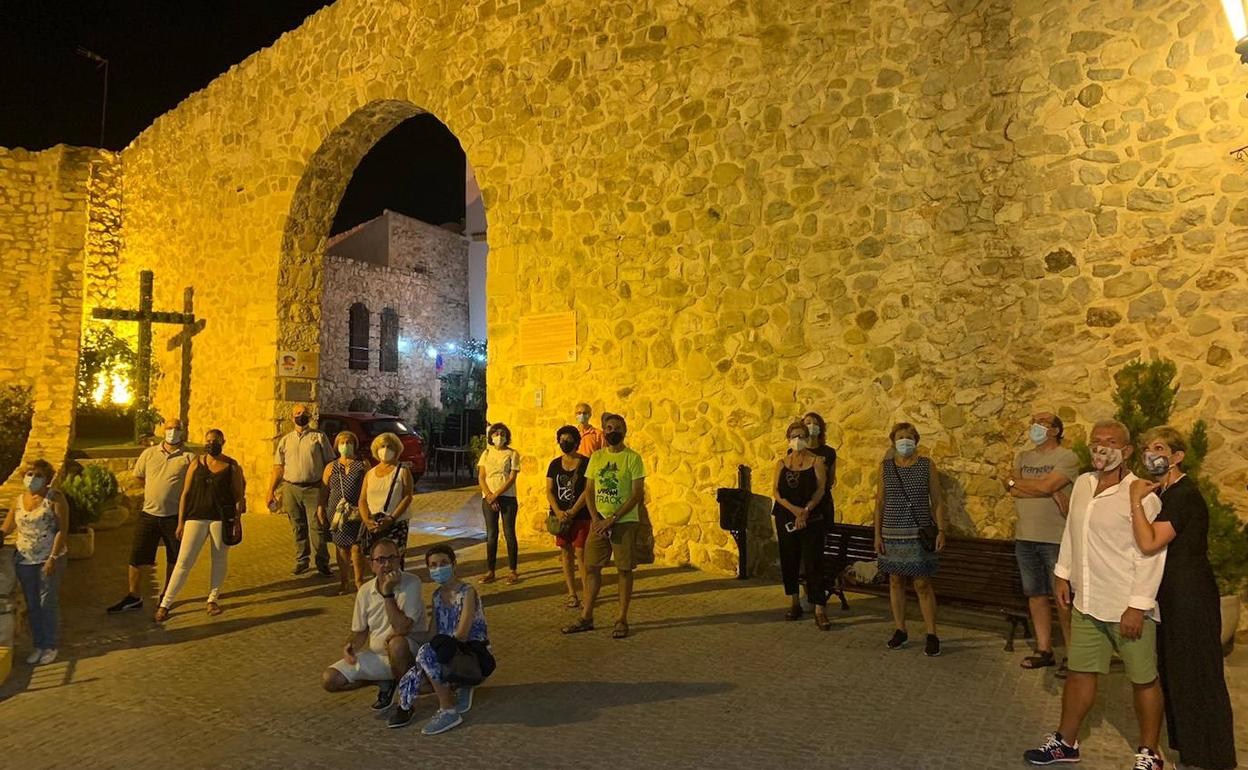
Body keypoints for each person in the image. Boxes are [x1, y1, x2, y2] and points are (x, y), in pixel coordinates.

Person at [1024, 420, 1167, 769]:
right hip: (1088, 602)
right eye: (1096, 441)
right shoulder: (1084, 484)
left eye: (1112, 442)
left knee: (1143, 679)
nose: (1103, 448)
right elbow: (1073, 532)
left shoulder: (1140, 495)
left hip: (1126, 606)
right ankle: (1065, 742)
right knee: (1080, 672)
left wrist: (1138, 606)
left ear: (1127, 450)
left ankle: (1150, 753)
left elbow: (1151, 555)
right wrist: (1063, 573)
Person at [1127, 426, 1237, 770]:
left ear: (1177, 456)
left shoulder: (1183, 495)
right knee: (1175, 671)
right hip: (1172, 592)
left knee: (1196, 672)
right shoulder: (1165, 492)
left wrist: (1134, 501)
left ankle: (1211, 756)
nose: (1151, 455)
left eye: (1159, 448)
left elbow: (1149, 542)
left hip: (1190, 593)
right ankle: (1191, 751)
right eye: (1147, 448)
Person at [393, 543, 495, 734]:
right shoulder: (437, 596)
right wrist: (403, 635)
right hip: (449, 651)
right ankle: (459, 684)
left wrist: (434, 649)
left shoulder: (467, 592)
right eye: (433, 565)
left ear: (453, 564)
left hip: (472, 653)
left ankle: (448, 711)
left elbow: (462, 633)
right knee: (420, 674)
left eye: (443, 563)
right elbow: (432, 633)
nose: (438, 568)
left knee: (427, 653)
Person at [1005, 411, 1079, 671]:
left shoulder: (1066, 457)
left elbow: (1041, 486)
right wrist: (1043, 488)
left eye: (1042, 422)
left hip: (1055, 538)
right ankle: (1044, 649)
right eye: (1032, 421)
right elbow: (1011, 488)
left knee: (1063, 599)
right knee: (1035, 594)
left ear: (1056, 430)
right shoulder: (1023, 457)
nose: (1034, 426)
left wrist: (1028, 485)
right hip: (1025, 536)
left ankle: (1073, 655)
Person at [322, 538, 429, 713]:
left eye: (392, 558)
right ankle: (385, 680)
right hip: (379, 656)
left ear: (399, 560)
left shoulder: (411, 583)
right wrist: (350, 647)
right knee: (330, 679)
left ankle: (406, 703)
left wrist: (388, 594)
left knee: (397, 644)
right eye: (380, 560)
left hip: (408, 654)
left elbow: (402, 628)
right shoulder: (365, 590)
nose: (387, 564)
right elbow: (360, 631)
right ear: (371, 564)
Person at [562, 413, 644, 639]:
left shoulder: (633, 458)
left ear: (624, 431)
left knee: (624, 570)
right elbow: (589, 490)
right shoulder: (597, 457)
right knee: (591, 568)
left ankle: (621, 619)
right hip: (599, 523)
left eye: (617, 428)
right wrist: (596, 518)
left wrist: (613, 518)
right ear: (603, 431)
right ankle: (586, 616)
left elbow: (637, 493)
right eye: (608, 428)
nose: (612, 431)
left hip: (624, 522)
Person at [156, 429, 245, 621]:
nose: (211, 444)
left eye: (215, 440)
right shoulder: (197, 463)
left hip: (220, 518)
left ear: (223, 441)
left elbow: (238, 495)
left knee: (219, 559)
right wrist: (181, 522)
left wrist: (237, 521)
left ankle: (212, 599)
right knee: (184, 561)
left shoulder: (231, 466)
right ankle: (165, 604)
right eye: (208, 441)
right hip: (196, 516)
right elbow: (185, 493)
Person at [873, 422, 946, 656]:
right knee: (895, 580)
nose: (905, 441)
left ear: (916, 440)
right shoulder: (885, 467)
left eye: (909, 437)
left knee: (922, 583)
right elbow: (880, 502)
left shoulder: (926, 465)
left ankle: (932, 633)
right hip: (892, 532)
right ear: (893, 442)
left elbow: (937, 500)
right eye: (900, 437)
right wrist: (877, 534)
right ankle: (900, 629)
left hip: (917, 533)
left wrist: (941, 530)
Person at [107, 416, 192, 614]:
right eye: (169, 428)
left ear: (182, 431)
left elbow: (192, 486)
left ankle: (167, 596)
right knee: (137, 556)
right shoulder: (149, 453)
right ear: (164, 430)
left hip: (173, 517)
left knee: (174, 558)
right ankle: (133, 596)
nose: (172, 432)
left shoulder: (189, 458)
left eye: (176, 428)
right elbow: (139, 476)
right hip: (149, 514)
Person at [2, 459, 68, 665]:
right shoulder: (19, 500)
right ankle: (39, 645)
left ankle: (50, 645)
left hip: (49, 559)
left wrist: (52, 558)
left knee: (46, 602)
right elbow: (8, 527)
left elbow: (62, 530)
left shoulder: (55, 499)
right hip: (25, 560)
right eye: (30, 474)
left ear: (47, 478)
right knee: (32, 605)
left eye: (38, 475)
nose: (33, 478)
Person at [772, 421, 830, 629]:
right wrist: (793, 509)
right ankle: (794, 602)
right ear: (788, 439)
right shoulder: (782, 463)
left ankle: (819, 608)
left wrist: (805, 510)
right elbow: (776, 491)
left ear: (807, 438)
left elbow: (821, 489)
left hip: (811, 518)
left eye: (801, 436)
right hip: (786, 517)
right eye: (793, 436)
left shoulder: (816, 461)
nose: (797, 440)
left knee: (814, 561)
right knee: (789, 559)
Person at [267, 404, 335, 576]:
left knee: (317, 526)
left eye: (304, 413)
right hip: (291, 488)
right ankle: (302, 560)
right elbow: (278, 467)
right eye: (297, 413)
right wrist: (270, 491)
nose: (301, 416)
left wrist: (327, 489)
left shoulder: (319, 437)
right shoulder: (285, 440)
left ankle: (322, 562)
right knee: (297, 526)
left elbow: (329, 464)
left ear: (309, 416)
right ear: (292, 417)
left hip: (313, 488)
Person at [318, 430, 370, 594]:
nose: (345, 445)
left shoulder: (362, 465)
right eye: (342, 443)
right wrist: (320, 507)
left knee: (357, 548)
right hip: (337, 514)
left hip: (356, 511)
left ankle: (359, 581)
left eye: (349, 442)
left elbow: (370, 487)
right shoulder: (331, 467)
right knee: (341, 547)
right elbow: (324, 490)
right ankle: (344, 581)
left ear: (354, 445)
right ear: (336, 446)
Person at [546, 425, 590, 609]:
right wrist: (558, 512)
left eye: (568, 440)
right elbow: (549, 490)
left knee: (581, 553)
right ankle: (572, 593)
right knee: (565, 552)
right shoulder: (554, 464)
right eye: (562, 440)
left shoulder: (586, 463)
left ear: (577, 442)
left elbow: (588, 490)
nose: (565, 442)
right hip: (560, 518)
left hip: (581, 515)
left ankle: (587, 593)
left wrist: (573, 511)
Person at [359, 432, 414, 562]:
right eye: (382, 446)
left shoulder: (402, 471)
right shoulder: (370, 474)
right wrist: (366, 520)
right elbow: (362, 499)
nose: (385, 450)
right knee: (376, 561)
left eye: (389, 447)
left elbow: (407, 496)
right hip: (374, 524)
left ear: (396, 450)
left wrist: (391, 518)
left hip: (396, 523)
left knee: (393, 561)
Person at [477, 423, 520, 584]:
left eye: (502, 434)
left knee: (509, 533)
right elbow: (481, 477)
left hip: (507, 496)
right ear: (491, 436)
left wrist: (496, 494)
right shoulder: (486, 453)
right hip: (488, 497)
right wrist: (489, 495)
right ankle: (491, 570)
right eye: (495, 433)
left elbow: (512, 478)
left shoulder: (512, 454)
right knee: (491, 534)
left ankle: (512, 570)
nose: (499, 436)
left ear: (507, 436)